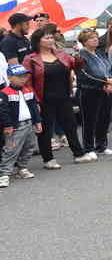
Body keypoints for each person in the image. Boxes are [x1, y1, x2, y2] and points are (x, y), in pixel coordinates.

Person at [23, 27, 92, 166]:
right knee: (45, 130)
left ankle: (78, 154)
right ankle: (48, 159)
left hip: (64, 96)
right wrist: (34, 100)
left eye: (51, 37)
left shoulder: (61, 54)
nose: (50, 40)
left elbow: (77, 66)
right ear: (38, 41)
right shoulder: (30, 59)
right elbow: (27, 82)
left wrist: (79, 57)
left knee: (70, 125)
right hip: (43, 99)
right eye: (46, 38)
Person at [76, 29, 112, 157]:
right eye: (91, 38)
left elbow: (109, 68)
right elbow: (85, 75)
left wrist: (111, 80)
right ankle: (89, 148)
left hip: (105, 90)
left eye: (96, 37)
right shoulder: (80, 56)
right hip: (89, 91)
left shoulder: (100, 53)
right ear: (84, 42)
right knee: (89, 120)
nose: (95, 40)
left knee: (104, 118)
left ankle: (101, 145)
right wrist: (105, 81)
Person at [0, 64, 42, 188]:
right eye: (19, 77)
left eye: (24, 76)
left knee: (29, 147)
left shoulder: (28, 90)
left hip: (29, 124)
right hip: (15, 127)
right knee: (11, 149)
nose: (23, 79)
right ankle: (4, 174)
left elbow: (34, 108)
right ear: (9, 78)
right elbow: (3, 111)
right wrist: (7, 126)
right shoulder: (4, 93)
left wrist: (37, 121)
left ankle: (21, 168)